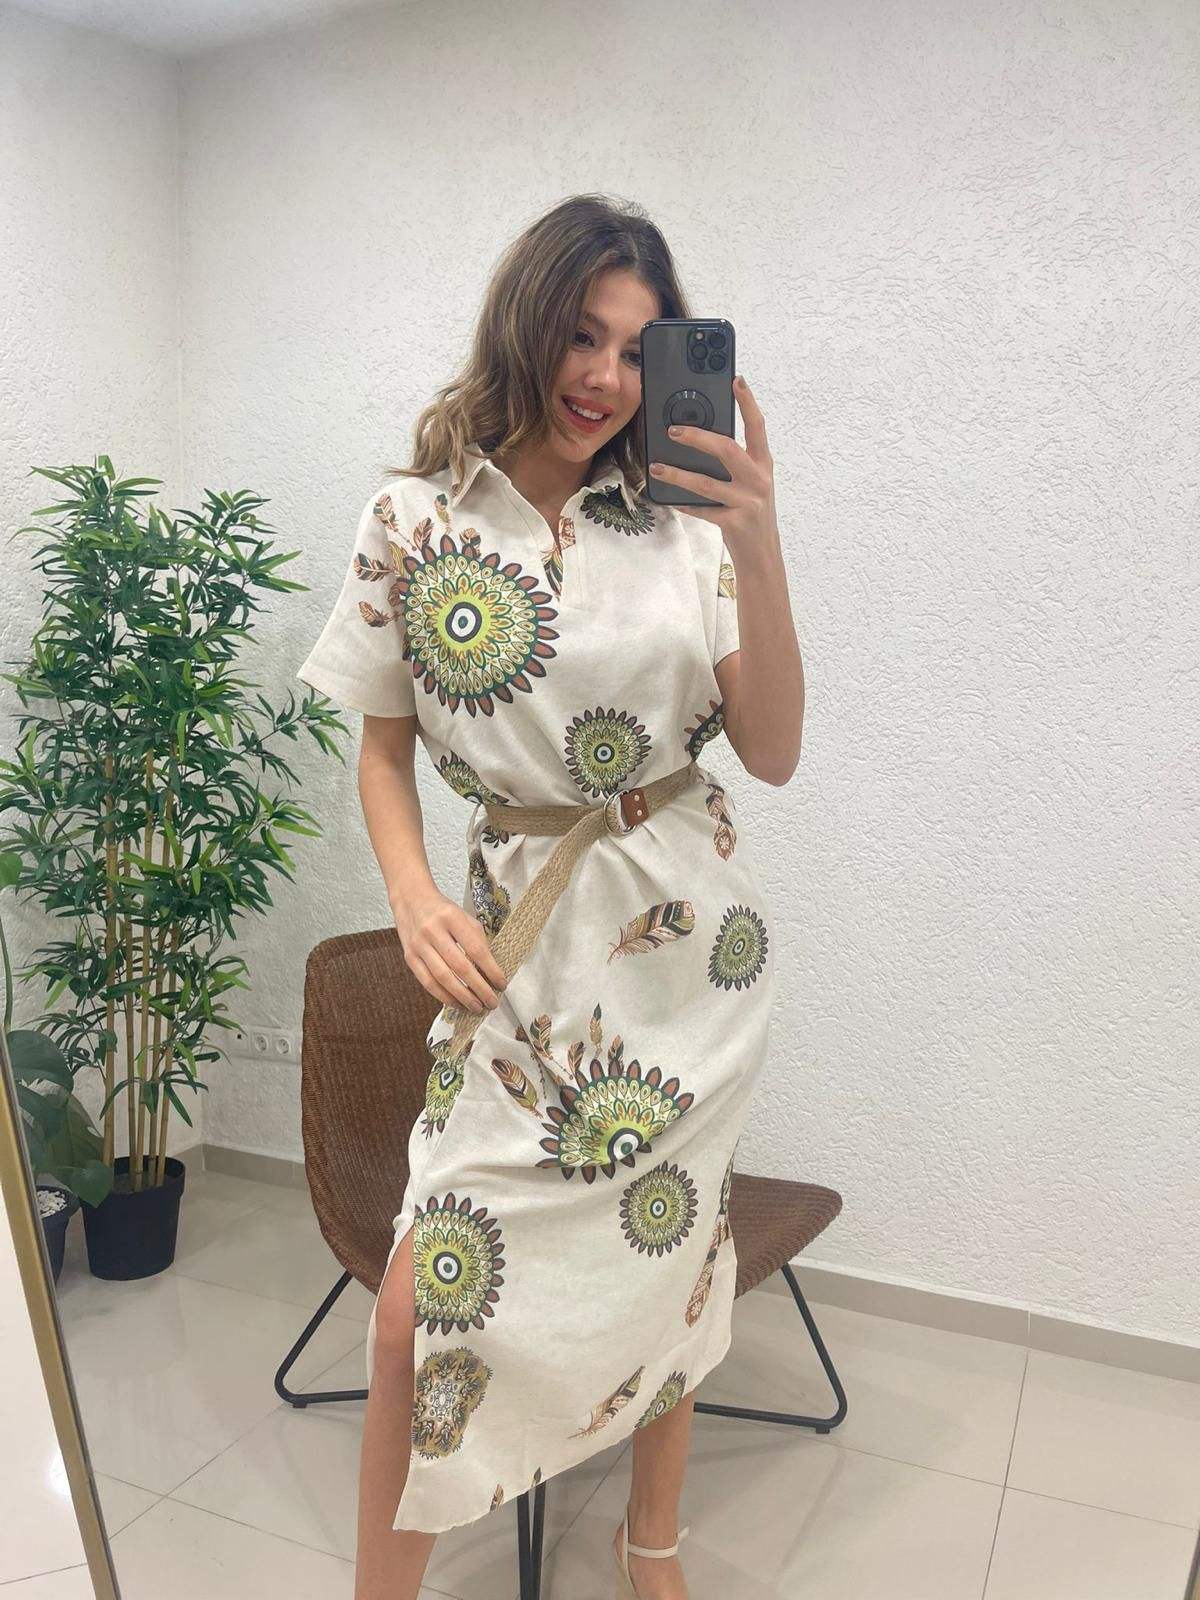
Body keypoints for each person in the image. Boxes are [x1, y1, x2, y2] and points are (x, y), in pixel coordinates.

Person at [296, 191, 804, 1600]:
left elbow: (771, 750)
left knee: (673, 1259)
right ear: (526, 324)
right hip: (519, 951)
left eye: (640, 350)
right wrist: (412, 898)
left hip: (688, 952)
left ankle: (653, 1549)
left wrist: (761, 541)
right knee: (415, 1315)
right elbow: (381, 747)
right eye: (584, 334)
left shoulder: (688, 529)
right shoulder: (413, 521)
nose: (608, 377)